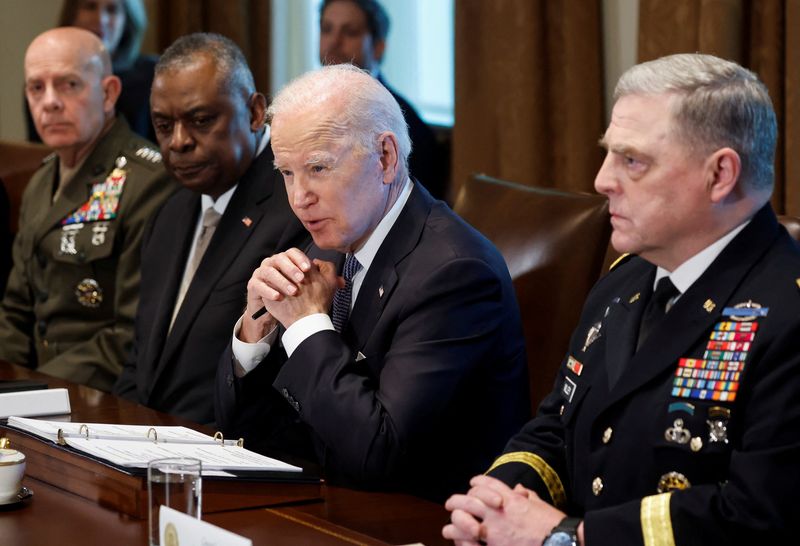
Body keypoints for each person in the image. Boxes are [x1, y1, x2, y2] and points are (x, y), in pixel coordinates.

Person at [443, 53, 800, 546]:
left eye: (633, 160)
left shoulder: (787, 312)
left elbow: (759, 514)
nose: (602, 180)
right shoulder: (626, 279)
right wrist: (496, 499)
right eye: (610, 154)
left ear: (720, 175)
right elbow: (558, 425)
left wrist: (568, 536)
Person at [215, 64, 529, 501]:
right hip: (328, 501)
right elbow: (248, 431)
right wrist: (256, 335)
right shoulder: (326, 242)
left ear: (385, 157)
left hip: (417, 520)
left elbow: (380, 454)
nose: (298, 197)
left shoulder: (455, 274)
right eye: (286, 173)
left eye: (318, 168)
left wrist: (306, 326)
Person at [114, 33, 308, 425]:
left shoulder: (296, 207)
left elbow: (283, 387)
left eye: (201, 121)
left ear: (255, 113)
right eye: (163, 125)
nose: (179, 142)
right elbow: (142, 364)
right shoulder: (169, 212)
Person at [0, 28, 175, 390]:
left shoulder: (147, 181)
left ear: (108, 92)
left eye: (69, 85)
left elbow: (131, 335)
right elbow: (15, 311)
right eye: (36, 87)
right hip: (30, 393)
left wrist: (33, 390)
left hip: (98, 396)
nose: (49, 102)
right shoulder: (41, 180)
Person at [318, 0, 445, 200]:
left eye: (350, 32)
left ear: (378, 47)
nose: (334, 41)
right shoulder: (309, 107)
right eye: (326, 29)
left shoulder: (403, 122)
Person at [27, 0, 157, 142]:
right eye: (90, 7)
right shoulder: (43, 80)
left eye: (112, 10)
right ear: (72, 15)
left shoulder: (156, 75)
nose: (101, 19)